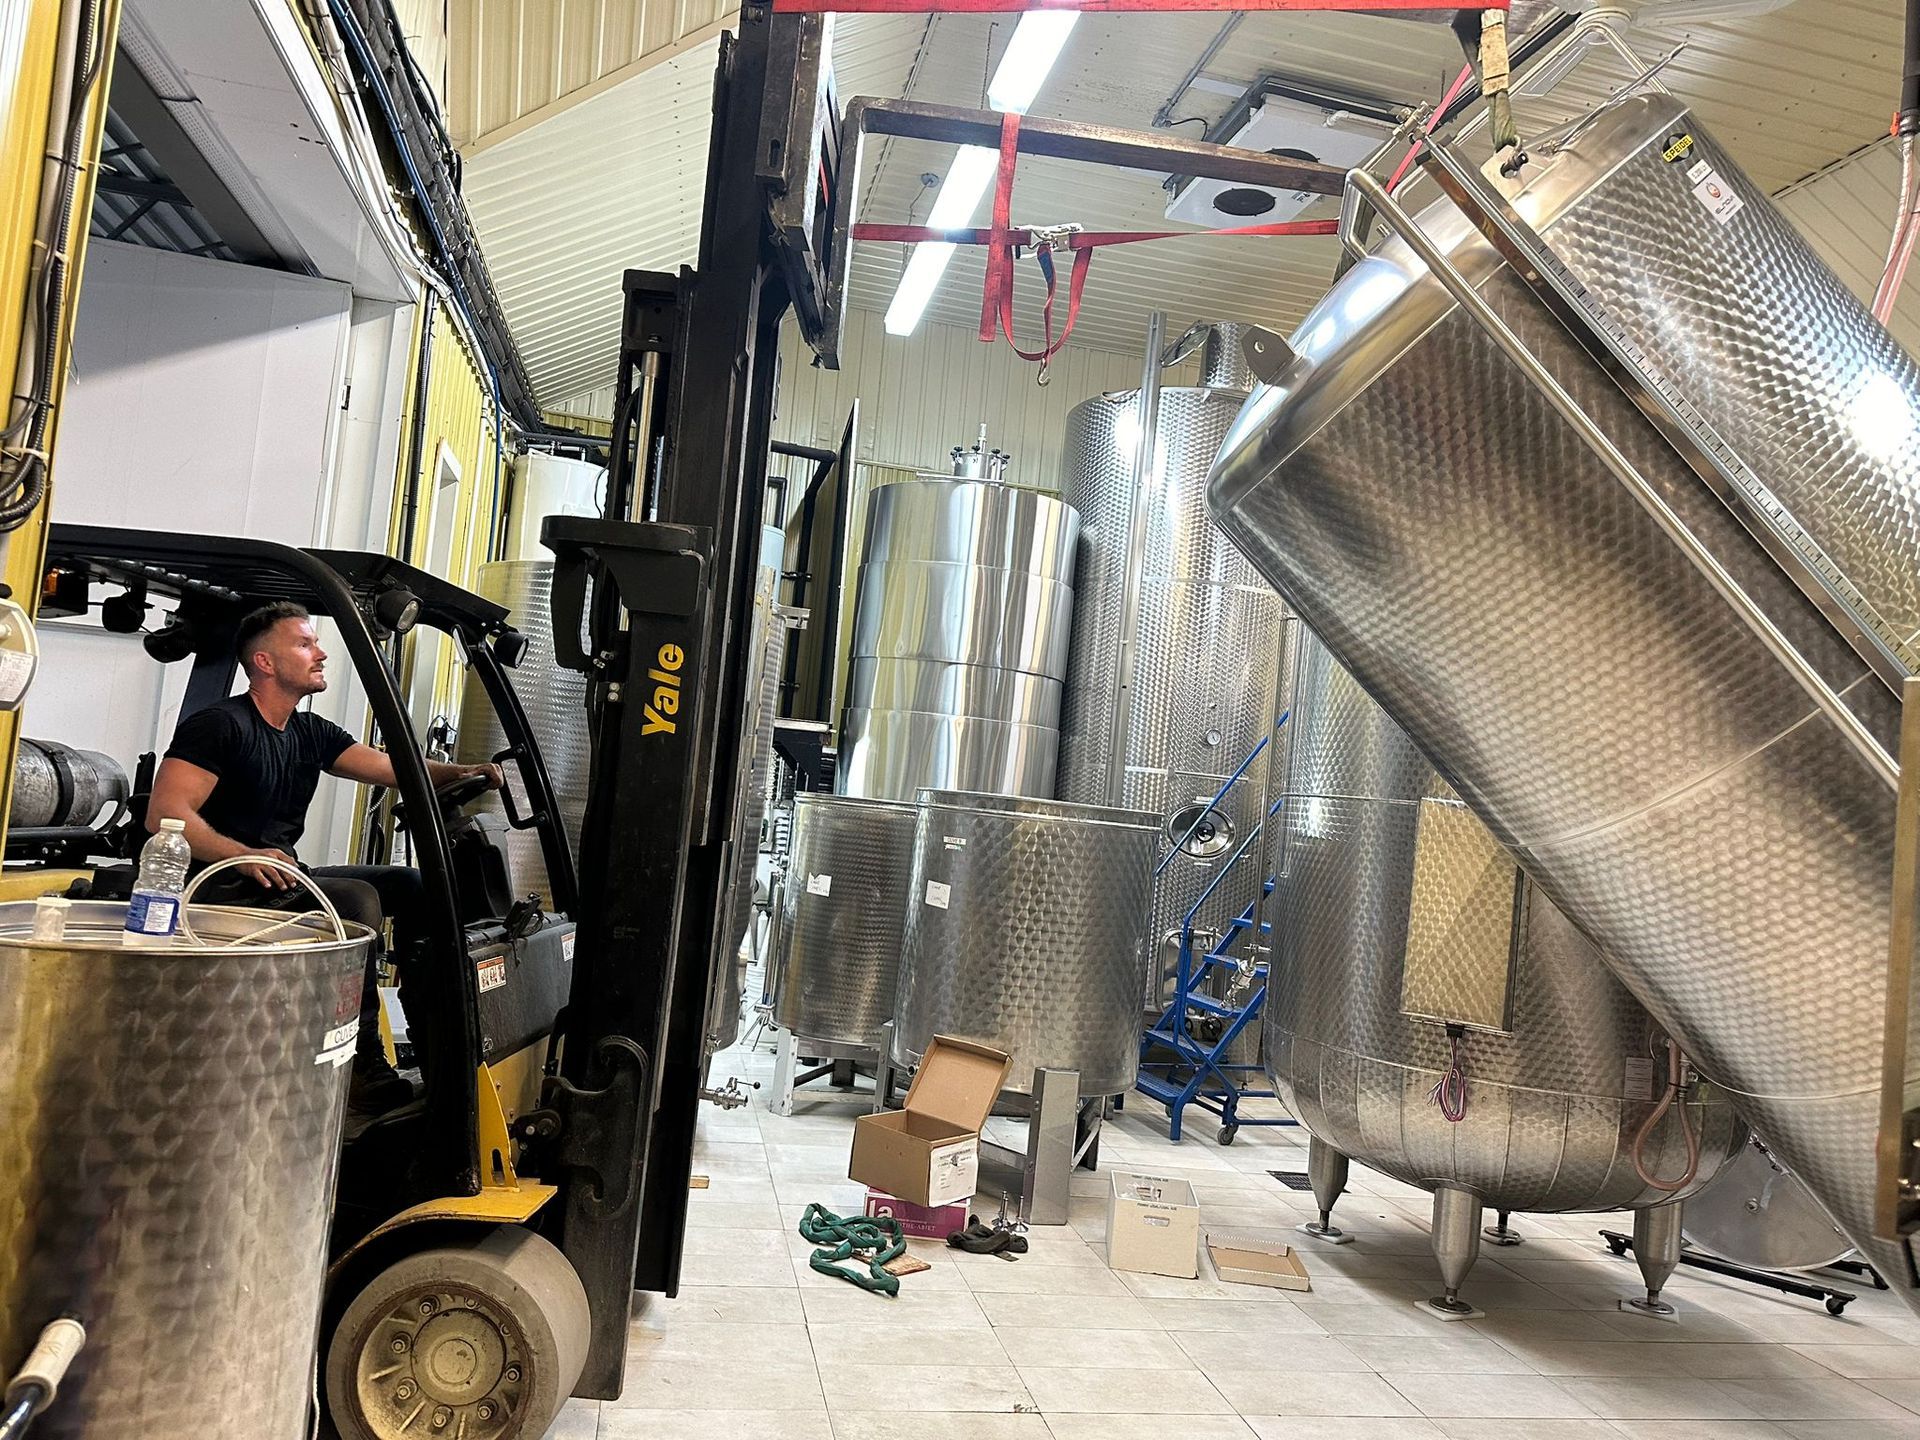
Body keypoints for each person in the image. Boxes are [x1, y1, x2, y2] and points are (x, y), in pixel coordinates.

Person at [147, 599, 501, 1114]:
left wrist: (466, 771)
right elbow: (166, 814)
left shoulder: (310, 733)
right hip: (218, 886)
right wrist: (242, 855)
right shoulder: (221, 725)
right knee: (355, 901)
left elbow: (395, 769)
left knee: (411, 886)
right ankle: (358, 1067)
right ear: (266, 663)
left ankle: (440, 1040)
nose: (321, 654)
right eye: (305, 643)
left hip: (282, 878)